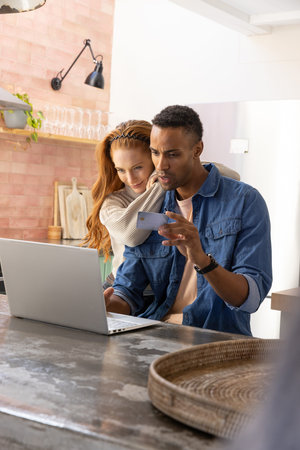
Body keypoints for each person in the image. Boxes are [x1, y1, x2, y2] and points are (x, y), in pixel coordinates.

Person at [104, 105, 272, 336]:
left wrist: (202, 260)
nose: (161, 165)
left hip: (214, 340)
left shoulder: (244, 202)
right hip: (153, 335)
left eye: (172, 154)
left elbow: (250, 298)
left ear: (197, 149)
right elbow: (128, 290)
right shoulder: (152, 209)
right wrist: (105, 306)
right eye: (155, 152)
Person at [83, 120, 165, 287]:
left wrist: (167, 172)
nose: (130, 179)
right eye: (121, 170)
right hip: (119, 288)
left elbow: (230, 175)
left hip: (162, 292)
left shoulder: (173, 191)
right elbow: (131, 235)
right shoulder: (112, 203)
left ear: (155, 158)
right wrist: (162, 185)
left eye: (137, 167)